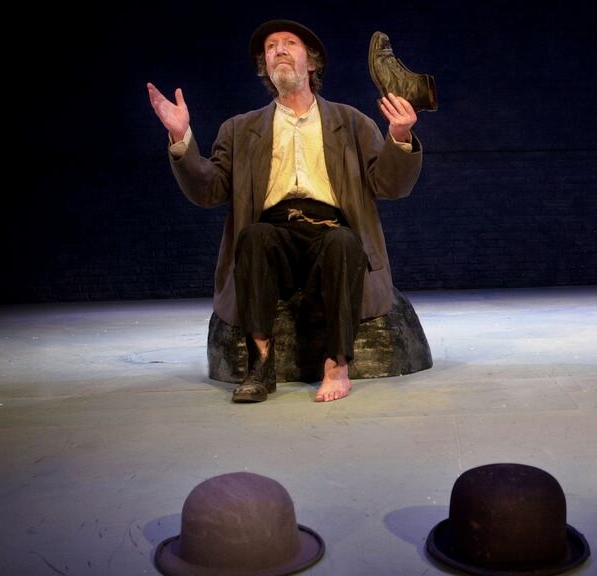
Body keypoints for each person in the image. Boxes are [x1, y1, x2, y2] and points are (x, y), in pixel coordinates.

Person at [147, 19, 422, 403]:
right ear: (265, 66)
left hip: (330, 229)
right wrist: (181, 138)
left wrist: (400, 136)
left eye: (289, 43)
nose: (278, 49)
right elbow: (209, 190)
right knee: (254, 237)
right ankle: (260, 367)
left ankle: (337, 365)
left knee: (344, 242)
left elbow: (390, 185)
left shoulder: (351, 121)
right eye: (271, 46)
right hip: (273, 232)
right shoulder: (240, 129)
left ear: (311, 63)